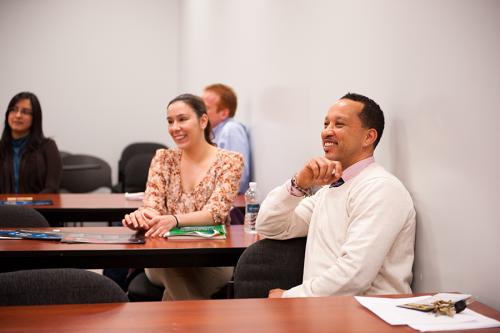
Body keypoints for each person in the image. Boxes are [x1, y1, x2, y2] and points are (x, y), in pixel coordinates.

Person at [256, 93, 416, 298]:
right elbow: (269, 226)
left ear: (368, 137)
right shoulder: (331, 190)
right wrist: (299, 184)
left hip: (368, 318)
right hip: (325, 312)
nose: (327, 132)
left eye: (339, 124)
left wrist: (289, 298)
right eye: (325, 124)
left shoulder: (381, 189)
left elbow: (355, 275)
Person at [122, 93, 243, 300]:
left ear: (203, 121)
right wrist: (142, 217)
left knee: (178, 283)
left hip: (211, 259)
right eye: (170, 121)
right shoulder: (163, 158)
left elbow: (215, 213)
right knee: (169, 265)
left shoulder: (230, 161)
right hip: (165, 256)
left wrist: (175, 220)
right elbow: (152, 204)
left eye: (182, 119)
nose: (174, 128)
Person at [0, 92, 62, 194]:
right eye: (14, 110)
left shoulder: (48, 147)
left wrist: (31, 205)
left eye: (25, 112)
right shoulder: (1, 147)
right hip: (4, 209)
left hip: (38, 208)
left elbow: (51, 188)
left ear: (35, 118)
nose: (18, 115)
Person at [202, 83, 251, 194]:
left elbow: (238, 180)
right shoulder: (209, 133)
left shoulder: (231, 130)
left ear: (223, 113)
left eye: (205, 108)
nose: (199, 112)